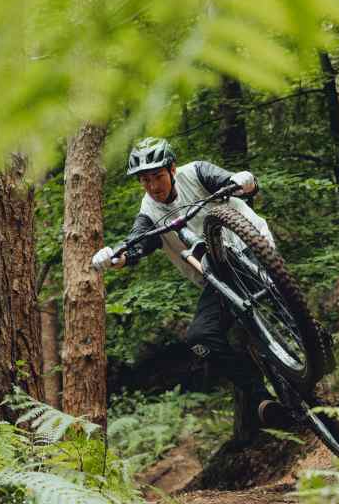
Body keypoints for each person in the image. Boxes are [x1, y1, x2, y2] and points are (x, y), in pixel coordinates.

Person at [92, 137, 287, 442]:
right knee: (200, 338)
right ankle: (261, 396)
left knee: (278, 293)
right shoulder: (149, 210)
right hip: (218, 277)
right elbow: (139, 241)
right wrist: (119, 256)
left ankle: (308, 334)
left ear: (171, 169)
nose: (153, 186)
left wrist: (243, 182)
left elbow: (232, 182)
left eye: (157, 176)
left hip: (251, 247)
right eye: (145, 180)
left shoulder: (196, 173)